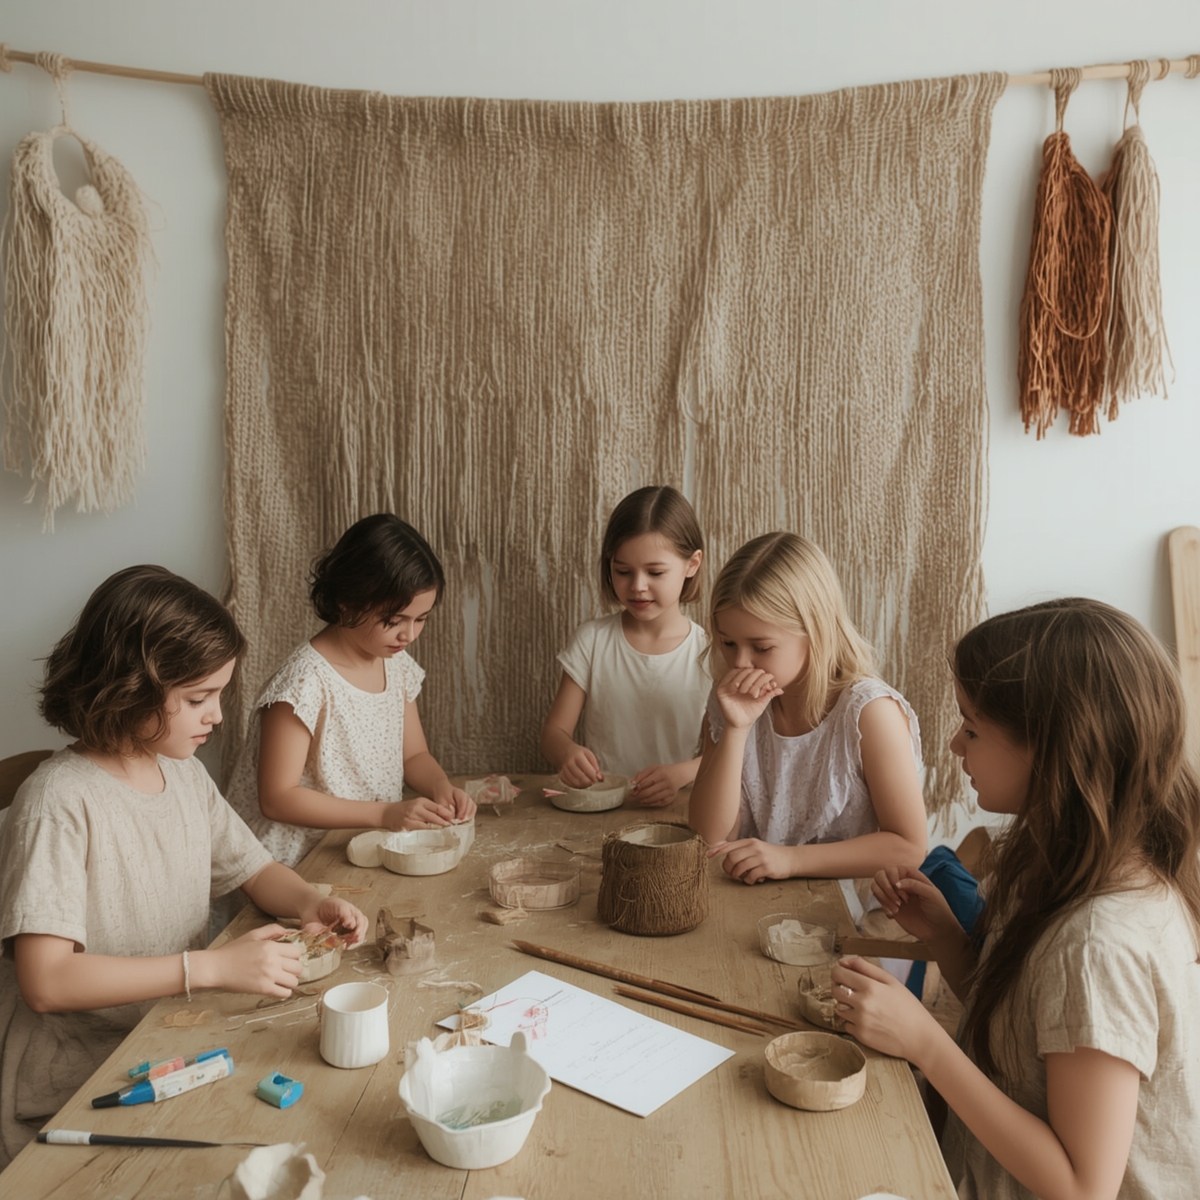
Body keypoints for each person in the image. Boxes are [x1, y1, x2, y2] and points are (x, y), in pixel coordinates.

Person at [0, 566, 369, 1167]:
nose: (217, 716)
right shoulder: (57, 801)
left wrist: (308, 903)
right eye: (198, 698)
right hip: (76, 1082)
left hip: (171, 1037)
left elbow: (252, 868)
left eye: (218, 694)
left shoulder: (183, 773)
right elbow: (46, 981)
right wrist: (212, 966)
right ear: (126, 688)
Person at [832, 598, 1200, 1200]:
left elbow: (1083, 1187)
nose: (954, 745)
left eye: (972, 729)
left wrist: (924, 1039)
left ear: (1055, 751)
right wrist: (948, 938)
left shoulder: (1098, 945)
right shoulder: (1056, 857)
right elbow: (1028, 1037)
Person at [227, 514, 475, 867]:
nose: (409, 635)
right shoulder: (303, 684)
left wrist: (441, 787)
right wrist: (385, 813)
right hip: (292, 864)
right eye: (394, 621)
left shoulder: (396, 663)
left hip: (362, 842)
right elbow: (277, 798)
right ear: (346, 601)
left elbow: (414, 756)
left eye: (420, 619)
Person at [688, 532, 927, 881]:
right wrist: (736, 730)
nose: (740, 663)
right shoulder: (732, 697)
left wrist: (790, 861)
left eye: (762, 647)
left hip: (846, 911)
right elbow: (709, 835)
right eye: (728, 643)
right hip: (754, 897)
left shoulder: (870, 713)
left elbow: (909, 847)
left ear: (815, 633)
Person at [541, 485, 708, 806]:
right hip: (601, 806)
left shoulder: (711, 651)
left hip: (678, 812)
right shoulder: (592, 641)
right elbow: (553, 734)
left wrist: (682, 774)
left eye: (655, 572)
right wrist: (567, 753)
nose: (638, 586)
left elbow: (737, 750)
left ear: (692, 564)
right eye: (622, 571)